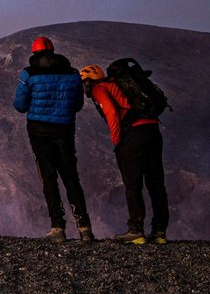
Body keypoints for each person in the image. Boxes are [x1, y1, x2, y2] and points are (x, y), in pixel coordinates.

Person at [13, 36, 94, 242]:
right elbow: (77, 105)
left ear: (35, 53)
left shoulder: (29, 74)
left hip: (39, 132)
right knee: (71, 177)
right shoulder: (73, 74)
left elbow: (20, 105)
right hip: (65, 130)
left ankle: (57, 227)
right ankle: (84, 227)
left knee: (48, 177)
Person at [80, 64, 169, 244]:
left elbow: (112, 113)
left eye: (84, 83)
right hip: (152, 130)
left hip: (133, 136)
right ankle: (159, 231)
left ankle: (136, 230)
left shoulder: (99, 88)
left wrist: (117, 140)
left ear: (89, 81)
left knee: (133, 184)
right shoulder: (120, 84)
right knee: (155, 183)